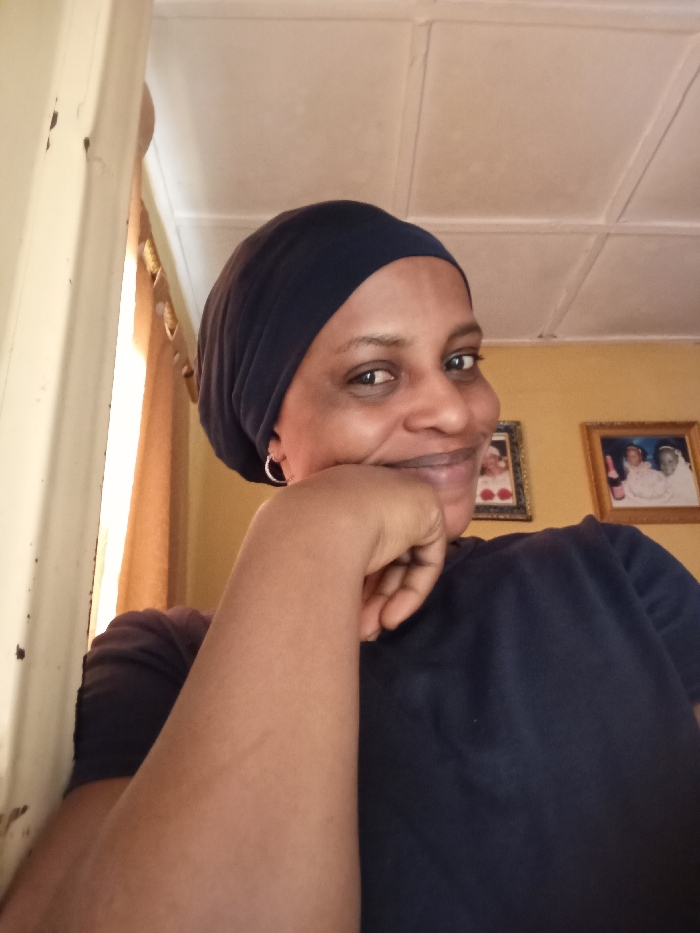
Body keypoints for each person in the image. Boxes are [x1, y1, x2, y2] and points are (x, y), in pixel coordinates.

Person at [3, 201, 700, 933]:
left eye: (460, 361)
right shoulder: (161, 662)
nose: (454, 412)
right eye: (372, 374)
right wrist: (308, 529)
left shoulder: (606, 572)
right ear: (271, 434)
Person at [656, 442, 700, 508]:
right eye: (662, 462)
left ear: (679, 459)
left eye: (670, 461)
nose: (666, 465)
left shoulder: (684, 471)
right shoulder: (660, 476)